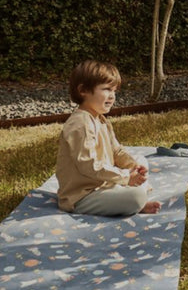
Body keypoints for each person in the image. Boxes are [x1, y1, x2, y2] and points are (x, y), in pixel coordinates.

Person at [56, 60, 161, 216]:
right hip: (83, 196)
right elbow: (89, 166)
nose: (112, 96)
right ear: (83, 90)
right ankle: (135, 200)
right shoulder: (80, 124)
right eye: (106, 89)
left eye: (114, 91)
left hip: (104, 183)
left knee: (141, 160)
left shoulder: (101, 119)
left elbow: (116, 151)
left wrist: (133, 167)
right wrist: (126, 177)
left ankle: (130, 194)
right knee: (136, 197)